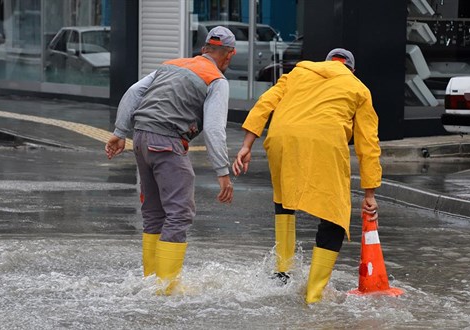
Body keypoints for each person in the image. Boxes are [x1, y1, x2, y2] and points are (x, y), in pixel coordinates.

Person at [232, 48, 382, 304]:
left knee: (284, 197)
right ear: (352, 69)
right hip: (325, 141)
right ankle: (314, 294)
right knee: (335, 214)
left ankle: (282, 273)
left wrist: (247, 144)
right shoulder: (358, 88)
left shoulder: (297, 73)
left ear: (325, 64)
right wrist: (369, 193)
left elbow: (264, 104)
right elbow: (368, 143)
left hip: (281, 138)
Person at [105, 26, 237, 295]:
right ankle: (165, 289)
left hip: (141, 139)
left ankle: (150, 282)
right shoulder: (216, 80)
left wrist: (120, 133)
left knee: (154, 212)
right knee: (179, 213)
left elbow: (132, 92)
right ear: (229, 55)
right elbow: (213, 128)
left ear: (204, 49)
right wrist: (222, 171)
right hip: (167, 142)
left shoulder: (171, 65)